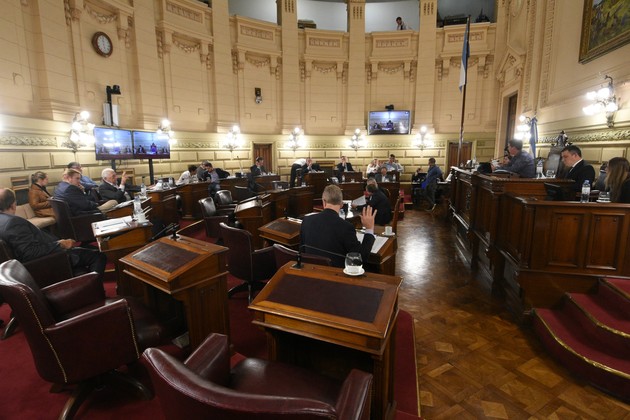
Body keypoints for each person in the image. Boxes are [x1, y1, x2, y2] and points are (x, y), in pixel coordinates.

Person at [0, 188, 106, 280]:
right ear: (13, 205)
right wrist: (60, 244)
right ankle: (94, 288)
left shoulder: (4, 220)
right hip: (52, 259)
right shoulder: (13, 222)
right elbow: (30, 252)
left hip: (47, 257)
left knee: (89, 250)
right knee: (99, 256)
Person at [300, 185, 376, 268]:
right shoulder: (346, 227)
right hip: (335, 274)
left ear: (324, 202)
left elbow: (302, 251)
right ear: (341, 204)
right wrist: (369, 229)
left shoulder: (306, 221)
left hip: (310, 271)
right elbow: (360, 259)